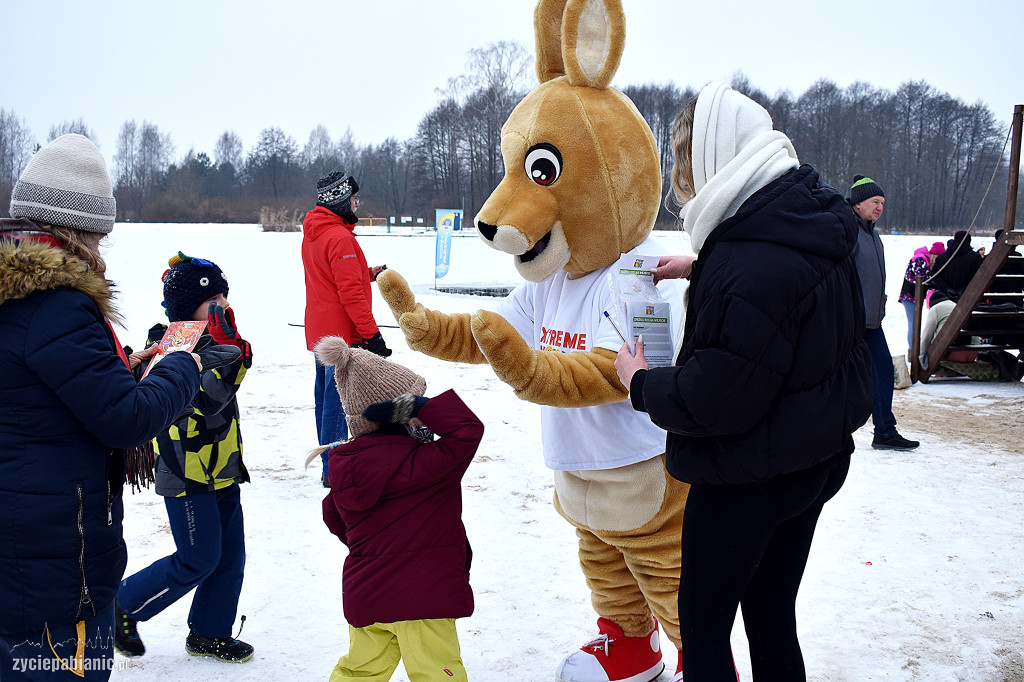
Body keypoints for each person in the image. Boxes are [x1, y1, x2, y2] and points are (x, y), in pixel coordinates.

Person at [613, 83, 873, 681]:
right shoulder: (812, 216)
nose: (685, 181)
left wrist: (641, 383)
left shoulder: (746, 262)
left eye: (686, 164)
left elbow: (713, 399)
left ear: (713, 158)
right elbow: (787, 292)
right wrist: (703, 268)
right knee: (772, 612)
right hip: (815, 461)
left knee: (704, 626)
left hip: (746, 479)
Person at [0, 134, 201, 681]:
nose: (101, 251)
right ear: (77, 232)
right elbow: (126, 419)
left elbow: (53, 390)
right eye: (98, 237)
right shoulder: (57, 307)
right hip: (50, 561)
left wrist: (125, 371)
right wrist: (183, 363)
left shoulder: (15, 297)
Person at [311, 337, 482, 682]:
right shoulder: (432, 463)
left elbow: (334, 516)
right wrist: (421, 406)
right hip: (426, 598)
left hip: (369, 594)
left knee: (359, 671)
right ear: (400, 413)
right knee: (438, 672)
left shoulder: (345, 467)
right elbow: (468, 429)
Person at [114, 253, 255, 662]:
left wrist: (232, 349)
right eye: (214, 299)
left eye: (225, 297)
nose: (224, 305)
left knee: (230, 557)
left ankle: (210, 632)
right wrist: (235, 355)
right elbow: (208, 399)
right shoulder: (170, 344)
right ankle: (122, 604)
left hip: (222, 467)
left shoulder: (217, 340)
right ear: (186, 306)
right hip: (187, 471)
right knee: (198, 557)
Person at [301, 171, 390, 487]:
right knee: (337, 405)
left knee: (325, 401)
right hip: (340, 337)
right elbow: (350, 295)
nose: (357, 203)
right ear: (341, 201)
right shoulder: (340, 238)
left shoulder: (315, 232)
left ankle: (329, 461)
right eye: (354, 198)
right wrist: (372, 335)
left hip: (320, 333)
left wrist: (366, 273)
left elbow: (335, 276)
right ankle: (334, 468)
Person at [844, 175, 920, 450]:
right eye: (875, 201)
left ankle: (885, 432)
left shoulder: (872, 234)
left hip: (872, 322)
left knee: (884, 372)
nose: (880, 208)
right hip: (850, 322)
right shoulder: (845, 231)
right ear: (857, 203)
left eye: (883, 203)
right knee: (841, 378)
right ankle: (827, 433)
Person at [899, 241, 945, 351]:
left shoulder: (926, 261)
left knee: (916, 323)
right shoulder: (920, 259)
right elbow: (920, 278)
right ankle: (913, 350)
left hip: (917, 296)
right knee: (913, 324)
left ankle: (915, 348)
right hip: (909, 296)